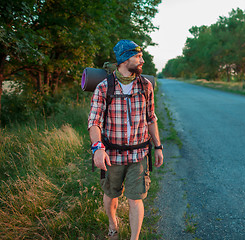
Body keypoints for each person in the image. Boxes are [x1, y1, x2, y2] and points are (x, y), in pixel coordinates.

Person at [88, 39, 163, 240]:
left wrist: (158, 146)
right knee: (111, 194)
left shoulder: (145, 86)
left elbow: (151, 118)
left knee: (135, 199)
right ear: (124, 59)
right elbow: (94, 121)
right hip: (111, 155)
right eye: (138, 56)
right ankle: (113, 225)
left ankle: (134, 238)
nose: (142, 60)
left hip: (139, 154)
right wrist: (97, 148)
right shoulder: (104, 87)